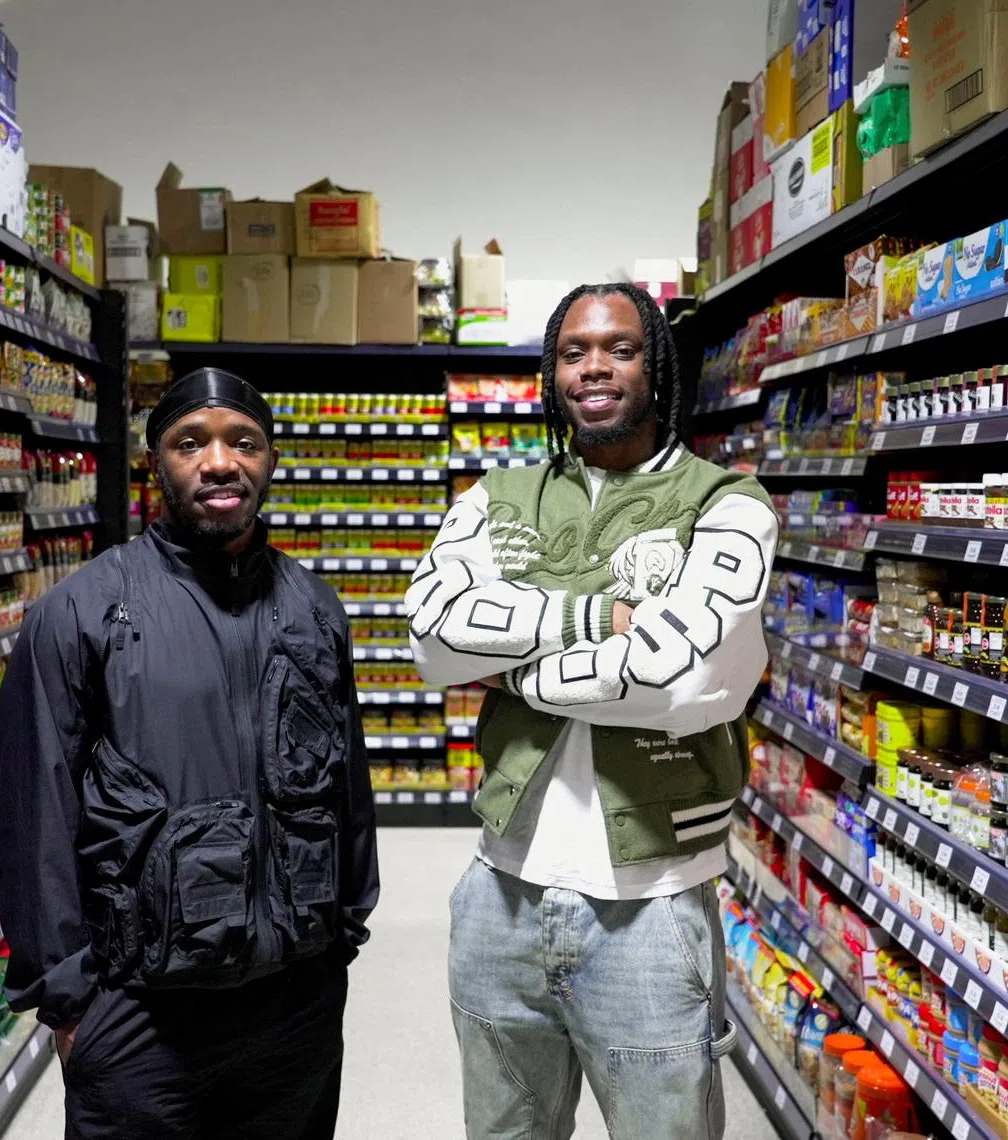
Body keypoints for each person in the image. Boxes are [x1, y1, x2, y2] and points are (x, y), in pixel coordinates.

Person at [406, 283, 777, 1140]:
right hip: (497, 894)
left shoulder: (725, 502)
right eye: (573, 352)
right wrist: (593, 616)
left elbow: (685, 684)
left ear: (657, 363)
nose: (594, 368)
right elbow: (431, 643)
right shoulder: (498, 498)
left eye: (619, 348)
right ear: (551, 371)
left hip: (651, 907)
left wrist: (517, 675)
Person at [0, 367, 379, 1140]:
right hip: (141, 1015)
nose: (220, 462)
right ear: (155, 463)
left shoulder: (312, 606)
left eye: (244, 442)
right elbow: (36, 813)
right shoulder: (82, 612)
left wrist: (341, 936)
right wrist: (70, 1004)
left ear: (269, 460)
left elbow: (348, 789)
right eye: (190, 442)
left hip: (293, 1001)